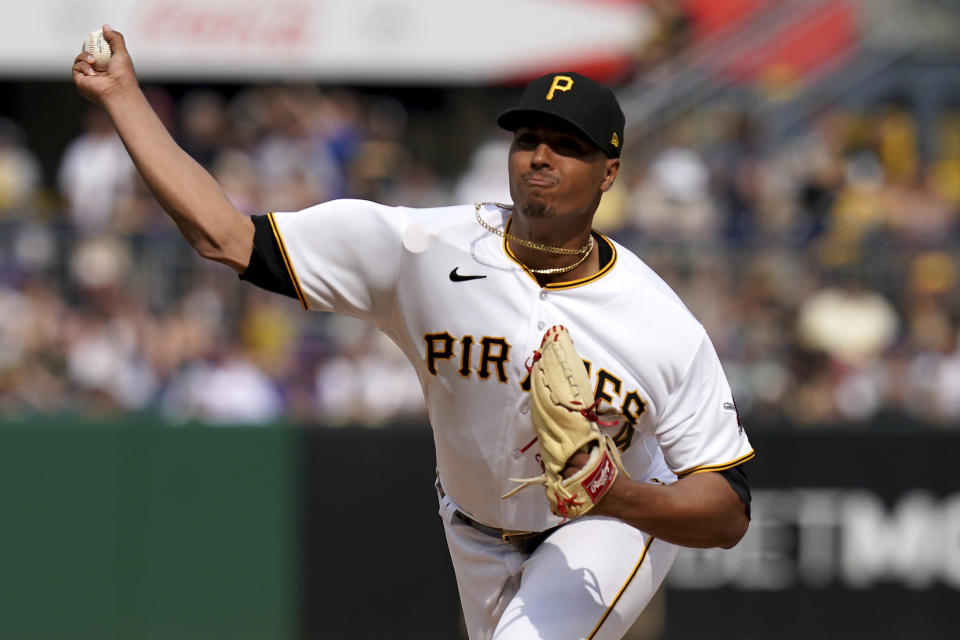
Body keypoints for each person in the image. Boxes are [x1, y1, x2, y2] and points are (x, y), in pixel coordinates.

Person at [73, 26, 755, 640]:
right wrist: (124, 97)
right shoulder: (424, 249)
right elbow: (225, 237)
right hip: (473, 529)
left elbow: (728, 513)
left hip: (606, 525)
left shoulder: (659, 321)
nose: (540, 157)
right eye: (528, 139)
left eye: (567, 146)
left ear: (609, 172)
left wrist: (619, 496)